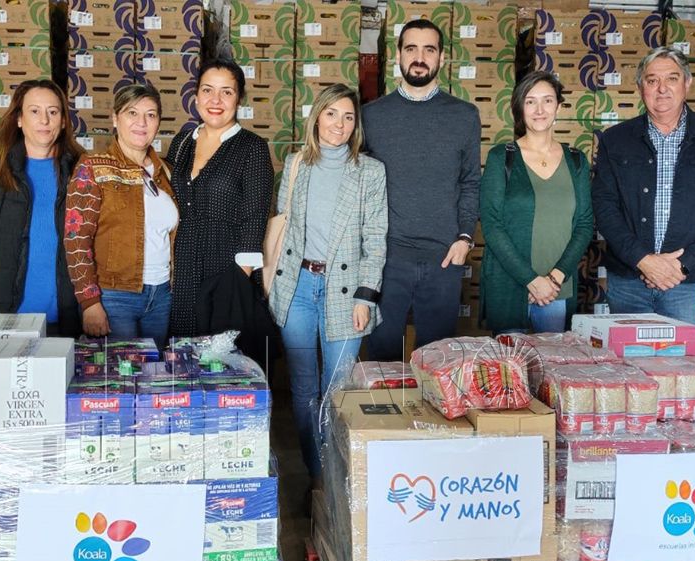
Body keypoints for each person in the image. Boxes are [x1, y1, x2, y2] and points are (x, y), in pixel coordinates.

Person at [269, 83, 387, 489]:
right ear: (316, 116)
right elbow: (282, 229)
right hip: (298, 288)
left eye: (348, 116)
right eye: (332, 113)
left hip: (346, 292)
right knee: (302, 387)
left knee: (336, 390)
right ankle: (318, 475)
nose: (339, 124)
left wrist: (366, 295)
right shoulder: (296, 164)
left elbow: (375, 238)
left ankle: (334, 474)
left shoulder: (370, 172)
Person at [362, 18, 482, 360]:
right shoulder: (372, 116)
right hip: (387, 258)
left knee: (437, 365)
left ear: (441, 58)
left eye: (429, 49)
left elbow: (470, 181)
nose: (420, 57)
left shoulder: (464, 116)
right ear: (397, 56)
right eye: (411, 48)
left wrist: (464, 238)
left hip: (444, 258)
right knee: (382, 360)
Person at [593, 46, 695, 326]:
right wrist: (643, 259)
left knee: (679, 365)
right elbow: (604, 207)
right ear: (639, 87)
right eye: (652, 80)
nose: (662, 89)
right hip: (628, 278)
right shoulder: (616, 140)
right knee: (628, 364)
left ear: (687, 83)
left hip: (685, 282)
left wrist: (682, 265)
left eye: (671, 79)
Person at [165, 60, 275, 341]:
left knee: (223, 357)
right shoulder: (182, 143)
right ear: (196, 96)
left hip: (227, 266)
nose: (215, 100)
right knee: (184, 352)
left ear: (239, 99)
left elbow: (255, 218)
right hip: (183, 265)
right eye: (207, 90)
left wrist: (239, 279)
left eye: (226, 92)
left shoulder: (252, 147)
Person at [63, 84, 178, 348]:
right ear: (115, 118)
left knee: (154, 378)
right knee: (122, 380)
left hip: (161, 295)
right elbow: (76, 238)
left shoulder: (165, 172)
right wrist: (90, 301)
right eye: (132, 113)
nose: (142, 122)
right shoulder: (92, 167)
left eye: (150, 115)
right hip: (114, 296)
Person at [479, 70, 593, 334]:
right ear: (520, 109)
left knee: (551, 370)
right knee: (509, 372)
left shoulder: (576, 161)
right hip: (509, 285)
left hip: (557, 290)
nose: (539, 109)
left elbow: (585, 224)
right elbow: (492, 225)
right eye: (530, 101)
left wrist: (554, 278)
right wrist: (531, 280)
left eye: (547, 101)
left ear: (559, 107)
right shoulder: (502, 158)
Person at [0, 80, 85, 337]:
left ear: (63, 121)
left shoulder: (80, 170)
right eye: (34, 111)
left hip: (65, 312)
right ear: (19, 118)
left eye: (53, 111)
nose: (44, 120)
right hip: (6, 313)